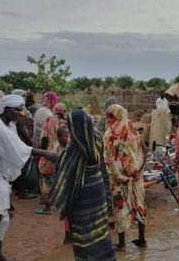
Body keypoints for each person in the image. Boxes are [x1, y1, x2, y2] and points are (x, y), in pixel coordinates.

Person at [0, 95, 57, 261]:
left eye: (22, 109)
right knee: (1, 193)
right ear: (7, 109)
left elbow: (17, 146)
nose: (20, 113)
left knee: (2, 210)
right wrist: (44, 153)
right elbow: (16, 147)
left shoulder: (10, 125)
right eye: (17, 110)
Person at [50, 110, 116, 261]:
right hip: (97, 189)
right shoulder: (98, 138)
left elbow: (64, 176)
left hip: (82, 194)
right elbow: (101, 164)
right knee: (100, 231)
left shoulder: (72, 149)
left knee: (84, 234)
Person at [104, 104, 147, 250]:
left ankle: (125, 243)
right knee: (133, 206)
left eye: (110, 116)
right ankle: (140, 240)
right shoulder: (131, 128)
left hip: (122, 178)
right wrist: (140, 168)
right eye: (108, 115)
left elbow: (110, 158)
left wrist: (136, 170)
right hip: (130, 176)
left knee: (123, 207)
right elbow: (144, 149)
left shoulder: (112, 133)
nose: (108, 119)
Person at [35, 102, 67, 215]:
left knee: (46, 179)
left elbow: (43, 138)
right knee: (59, 179)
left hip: (50, 153)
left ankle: (47, 208)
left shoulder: (49, 120)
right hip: (63, 154)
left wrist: (42, 152)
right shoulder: (66, 123)